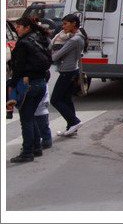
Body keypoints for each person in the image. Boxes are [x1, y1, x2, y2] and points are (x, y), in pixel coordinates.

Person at [8, 17, 50, 163]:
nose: (17, 29)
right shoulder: (39, 39)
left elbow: (18, 68)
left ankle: (27, 152)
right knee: (30, 116)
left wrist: (11, 85)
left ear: (27, 28)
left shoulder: (24, 43)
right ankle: (36, 147)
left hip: (28, 84)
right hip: (40, 83)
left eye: (19, 26)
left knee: (26, 119)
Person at [50, 14, 86, 137]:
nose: (63, 26)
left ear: (73, 24)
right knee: (66, 99)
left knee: (55, 100)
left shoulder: (74, 40)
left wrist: (52, 54)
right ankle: (72, 127)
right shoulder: (79, 37)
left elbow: (55, 56)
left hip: (67, 72)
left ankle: (74, 122)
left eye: (65, 24)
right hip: (72, 70)